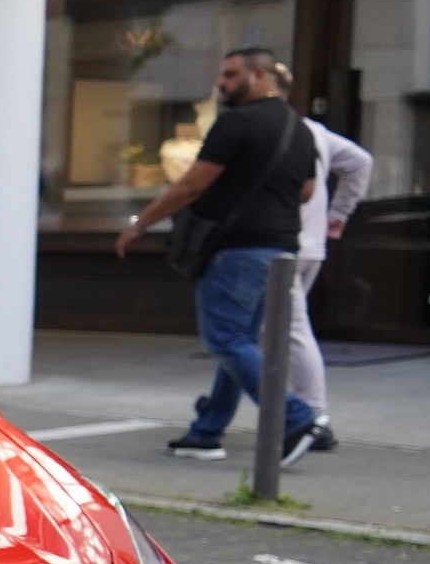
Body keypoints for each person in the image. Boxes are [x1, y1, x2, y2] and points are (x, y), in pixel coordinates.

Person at [114, 46, 320, 465]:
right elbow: (307, 191)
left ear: (258, 75)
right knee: (238, 341)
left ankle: (295, 418)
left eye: (230, 75)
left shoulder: (236, 123)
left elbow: (192, 185)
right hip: (281, 250)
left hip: (238, 251)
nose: (221, 83)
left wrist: (140, 224)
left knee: (225, 339)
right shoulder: (299, 129)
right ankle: (206, 433)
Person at [267, 63, 373, 451]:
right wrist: (337, 216)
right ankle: (220, 413)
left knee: (287, 331)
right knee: (261, 334)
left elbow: (361, 163)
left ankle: (313, 415)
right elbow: (361, 162)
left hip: (282, 245)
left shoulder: (282, 130)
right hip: (310, 244)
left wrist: (339, 214)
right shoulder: (314, 131)